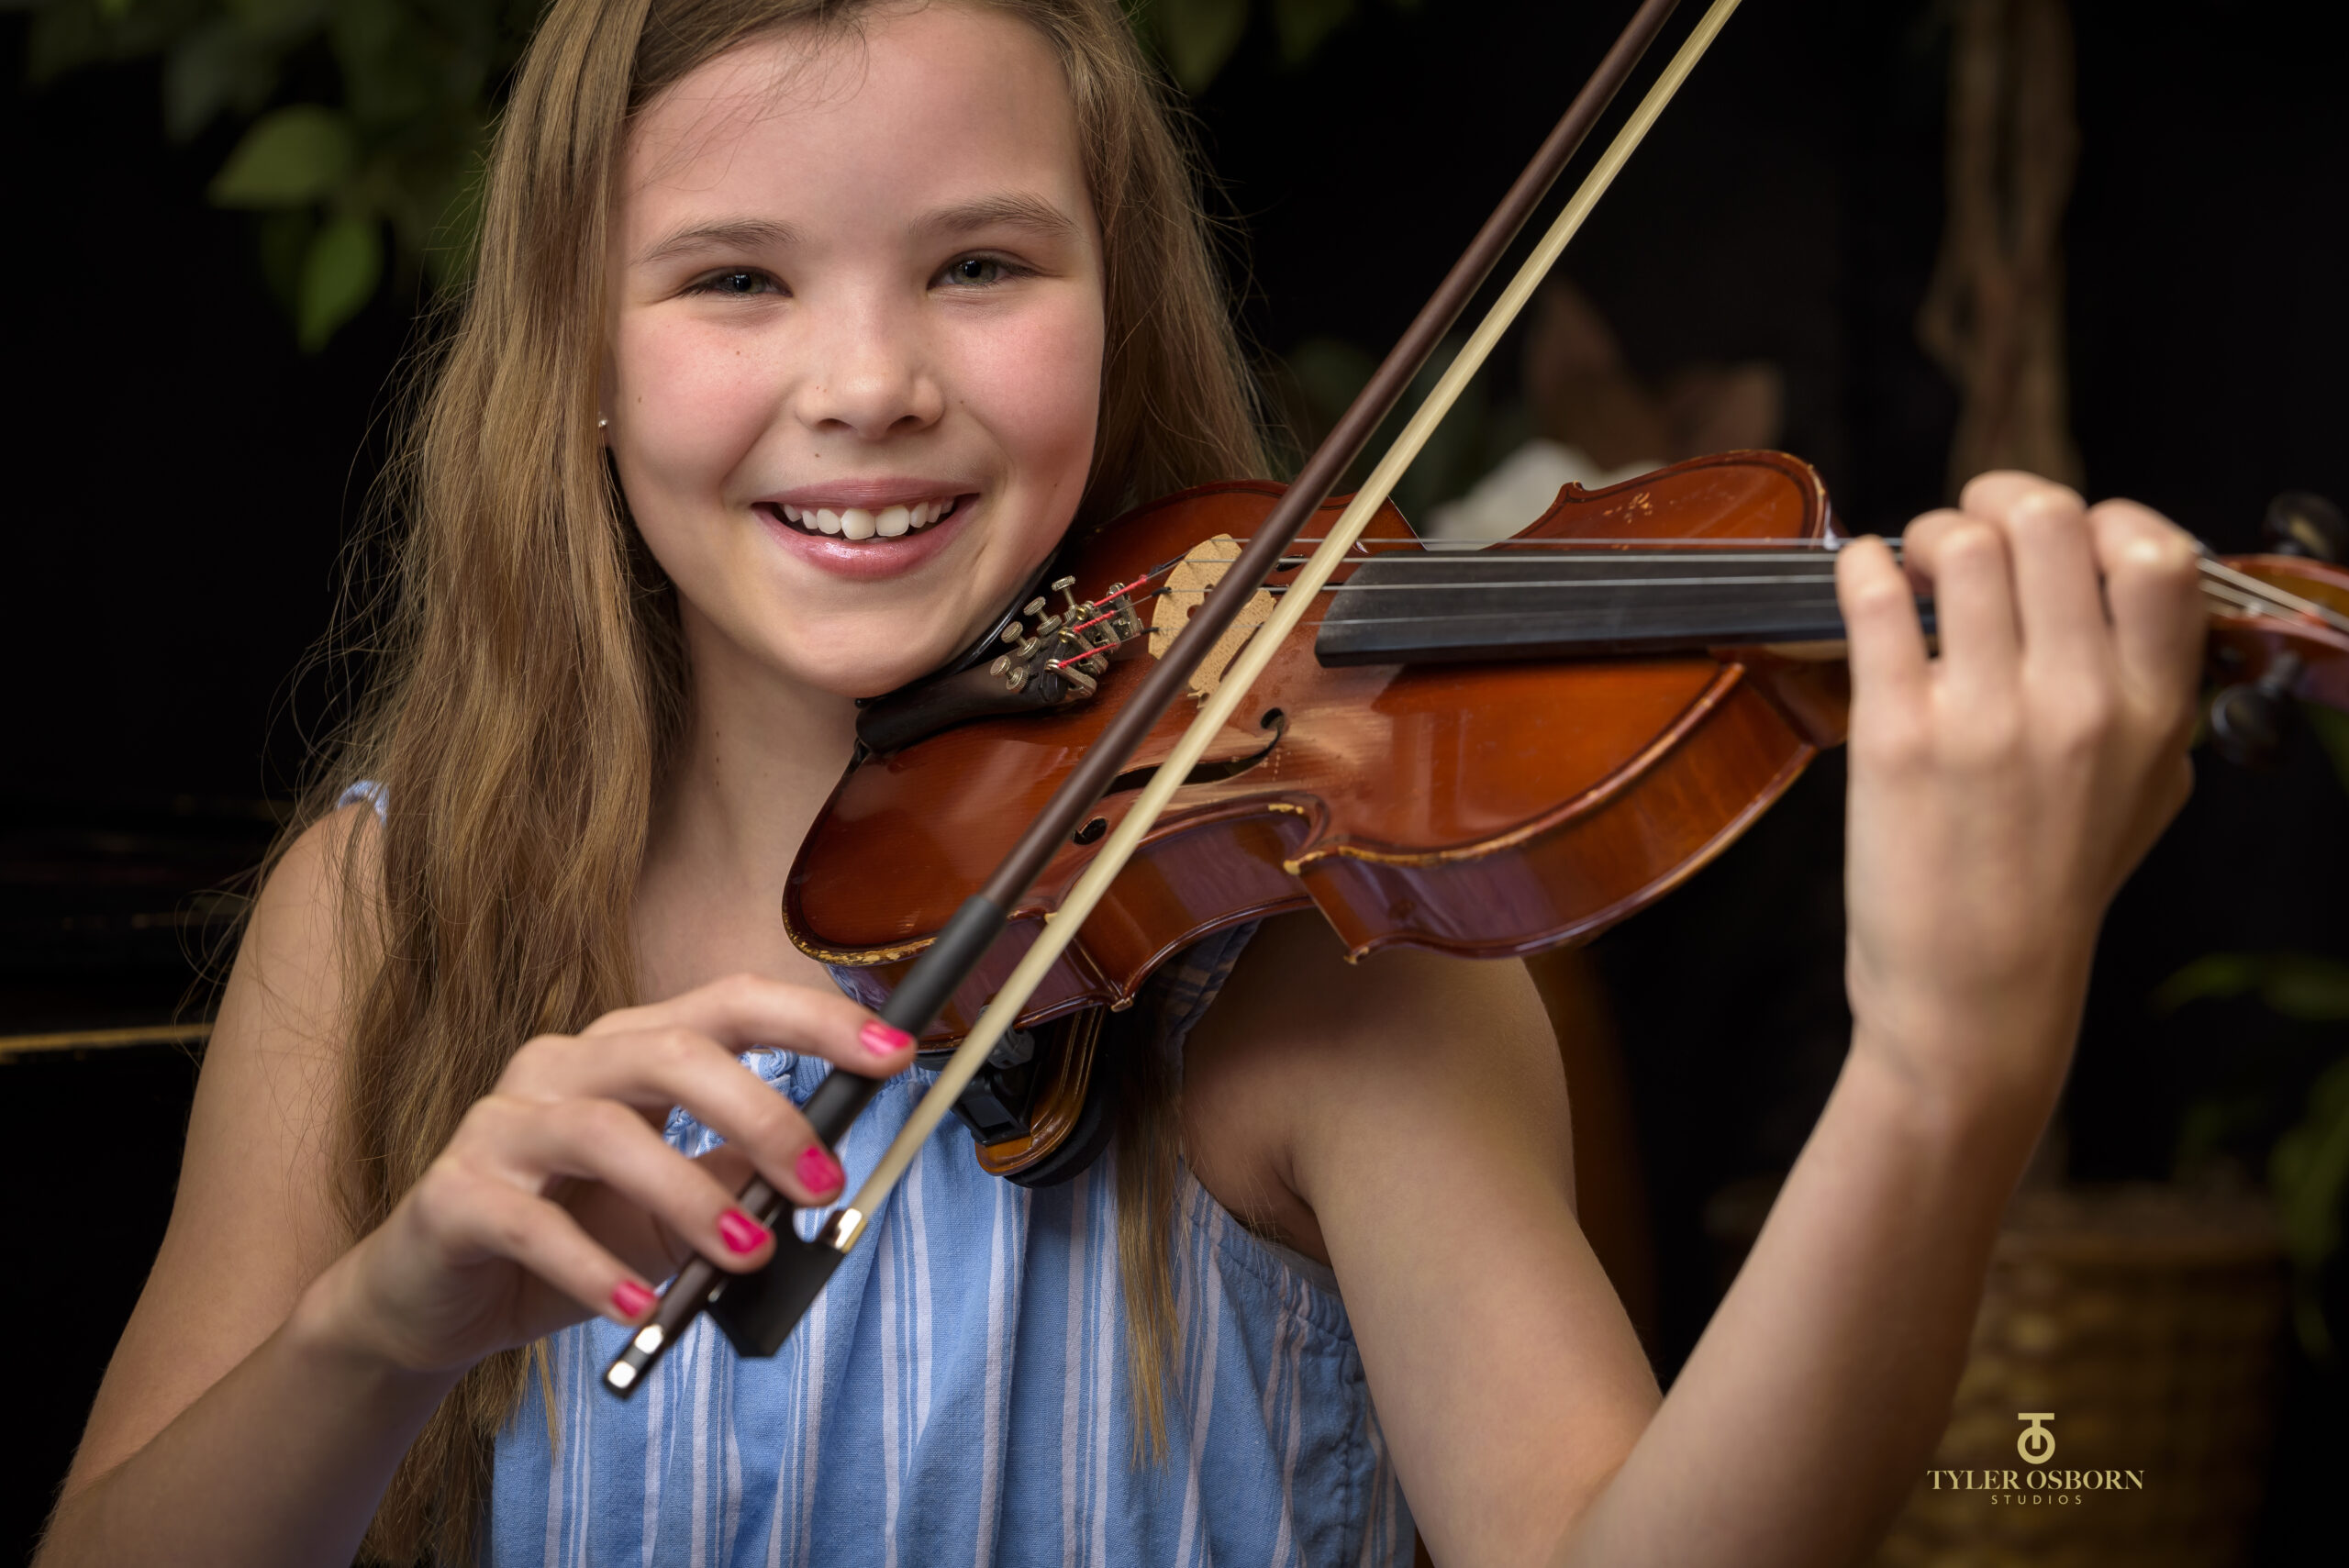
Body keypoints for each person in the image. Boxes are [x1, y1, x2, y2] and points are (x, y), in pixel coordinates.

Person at [34, 1, 2207, 1564]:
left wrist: (1943, 1063)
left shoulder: (1301, 956)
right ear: (579, 371)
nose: (869, 383)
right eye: (731, 281)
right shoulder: (393, 913)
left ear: (1110, 297)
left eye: (981, 265)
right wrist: (380, 1326)